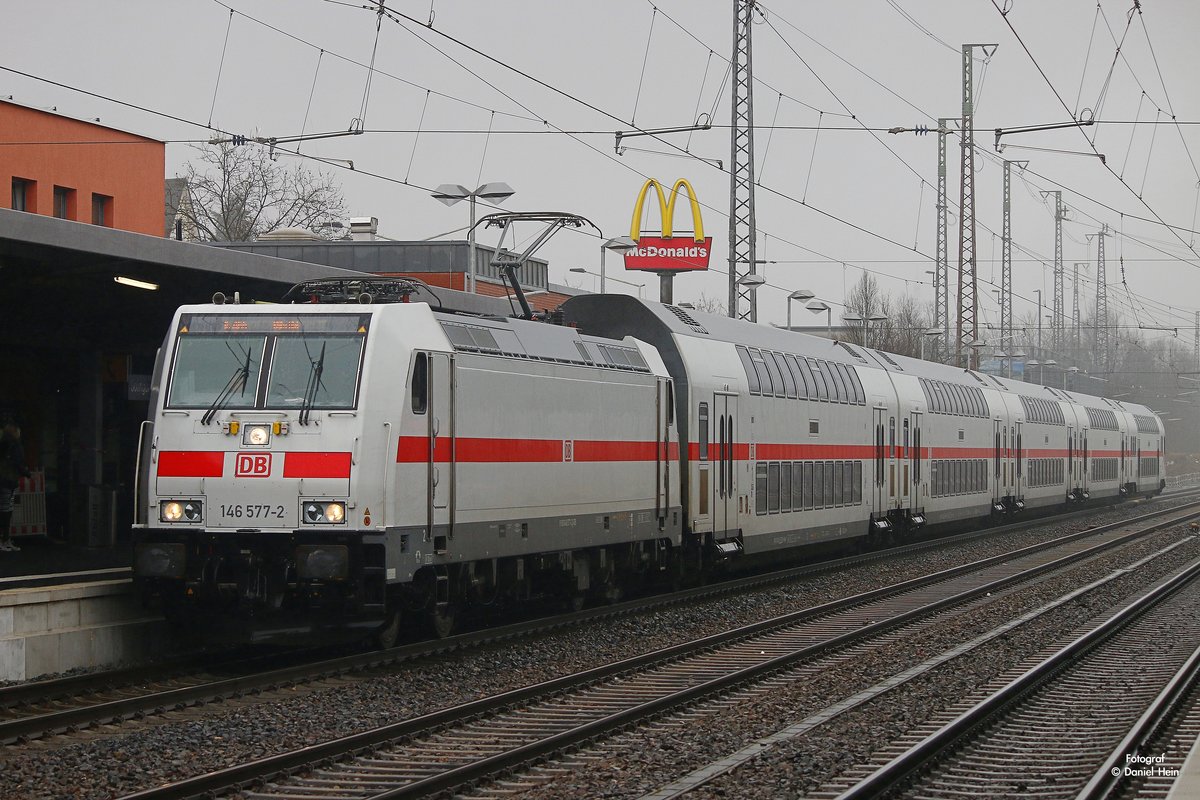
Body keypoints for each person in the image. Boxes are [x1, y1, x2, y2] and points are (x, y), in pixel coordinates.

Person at [0, 422, 30, 552]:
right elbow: (18, 463)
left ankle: (5, 539)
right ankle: (4, 539)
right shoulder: (15, 446)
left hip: (4, 479)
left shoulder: (4, 445)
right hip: (9, 479)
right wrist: (27, 474)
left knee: (5, 509)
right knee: (7, 510)